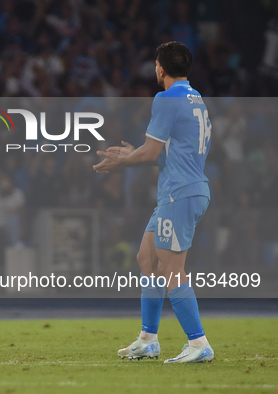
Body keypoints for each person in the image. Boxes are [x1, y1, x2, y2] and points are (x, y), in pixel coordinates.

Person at [93, 41, 214, 363]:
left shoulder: (166, 98)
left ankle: (199, 343)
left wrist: (124, 161)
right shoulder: (196, 99)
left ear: (160, 69)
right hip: (182, 190)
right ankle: (148, 339)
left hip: (180, 192)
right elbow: (169, 153)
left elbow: (151, 152)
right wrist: (136, 154)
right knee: (146, 258)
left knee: (172, 269)